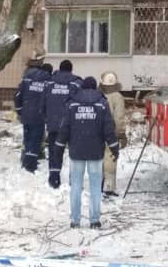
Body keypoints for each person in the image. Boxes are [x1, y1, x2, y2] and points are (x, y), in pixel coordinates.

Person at [48, 76, 119, 229]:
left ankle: (75, 220)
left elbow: (65, 128)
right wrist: (114, 147)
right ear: (95, 88)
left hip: (76, 151)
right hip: (95, 152)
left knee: (76, 186)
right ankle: (94, 220)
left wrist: (58, 147)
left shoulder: (72, 104)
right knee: (95, 187)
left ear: (82, 87)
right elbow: (108, 128)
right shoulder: (102, 103)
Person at [14, 61, 52, 172]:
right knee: (35, 140)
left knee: (27, 139)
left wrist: (19, 110)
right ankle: (30, 165)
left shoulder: (28, 78)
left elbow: (18, 95)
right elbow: (50, 99)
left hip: (26, 114)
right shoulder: (49, 81)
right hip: (39, 116)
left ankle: (25, 161)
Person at [44, 59, 83, 156]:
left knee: (53, 150)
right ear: (71, 70)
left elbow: (43, 100)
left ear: (60, 69)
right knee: (73, 150)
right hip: (70, 123)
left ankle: (54, 165)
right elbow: (81, 102)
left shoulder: (49, 82)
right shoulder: (77, 83)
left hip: (52, 121)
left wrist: (45, 116)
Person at [99, 71, 126, 197]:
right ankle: (109, 186)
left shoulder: (98, 95)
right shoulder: (118, 97)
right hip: (111, 132)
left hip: (96, 131)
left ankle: (98, 183)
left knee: (99, 158)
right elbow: (119, 117)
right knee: (110, 158)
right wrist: (121, 134)